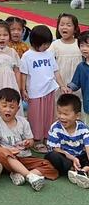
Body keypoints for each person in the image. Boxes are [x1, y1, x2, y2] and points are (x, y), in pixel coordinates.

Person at [0, 87, 58, 191]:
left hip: (24, 157)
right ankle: (30, 176)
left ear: (18, 108)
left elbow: (31, 141)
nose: (8, 109)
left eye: (12, 107)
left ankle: (20, 174)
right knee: (1, 155)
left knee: (48, 165)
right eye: (4, 106)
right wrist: (8, 151)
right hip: (7, 159)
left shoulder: (23, 122)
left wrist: (27, 143)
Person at [20, 25, 69, 153]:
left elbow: (56, 71)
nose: (46, 47)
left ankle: (48, 138)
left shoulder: (49, 54)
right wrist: (23, 89)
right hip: (35, 92)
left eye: (48, 44)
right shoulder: (27, 56)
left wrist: (62, 85)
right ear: (35, 43)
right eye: (44, 44)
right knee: (36, 117)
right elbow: (23, 74)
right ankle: (36, 140)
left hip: (49, 90)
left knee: (49, 116)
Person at [45, 94, 89, 188]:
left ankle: (83, 171)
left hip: (80, 157)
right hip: (66, 157)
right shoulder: (55, 127)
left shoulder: (83, 129)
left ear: (77, 116)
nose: (61, 117)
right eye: (59, 113)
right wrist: (72, 159)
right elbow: (55, 149)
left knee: (86, 156)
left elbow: (87, 147)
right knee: (51, 155)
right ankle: (74, 170)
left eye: (65, 114)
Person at [49, 13, 82, 103]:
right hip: (60, 82)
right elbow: (49, 64)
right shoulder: (55, 45)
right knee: (60, 105)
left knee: (76, 104)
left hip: (77, 83)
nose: (64, 27)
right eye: (62, 24)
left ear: (75, 29)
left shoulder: (79, 43)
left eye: (68, 25)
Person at [68, 30, 89, 121]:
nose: (84, 49)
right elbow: (75, 83)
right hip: (87, 105)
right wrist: (70, 89)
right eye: (81, 45)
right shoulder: (81, 67)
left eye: (88, 46)